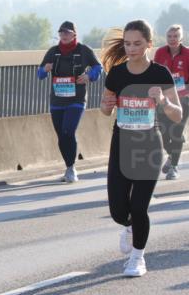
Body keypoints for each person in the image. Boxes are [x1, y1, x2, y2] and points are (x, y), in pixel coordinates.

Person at [99, 20, 182, 277]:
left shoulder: (160, 74)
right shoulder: (117, 73)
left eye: (137, 43)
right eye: (127, 43)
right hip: (121, 145)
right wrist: (107, 104)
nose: (131, 48)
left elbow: (177, 115)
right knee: (118, 210)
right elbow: (105, 110)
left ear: (149, 44)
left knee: (139, 206)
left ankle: (137, 258)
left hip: (149, 146)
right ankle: (128, 226)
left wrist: (165, 101)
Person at [36, 21, 102, 183]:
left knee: (68, 131)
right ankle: (68, 167)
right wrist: (45, 70)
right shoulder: (53, 52)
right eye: (61, 33)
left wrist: (89, 76)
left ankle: (72, 169)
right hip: (57, 100)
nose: (64, 36)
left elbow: (98, 67)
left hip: (76, 99)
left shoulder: (84, 50)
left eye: (67, 33)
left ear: (74, 34)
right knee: (61, 135)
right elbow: (40, 73)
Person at [153, 24, 189, 180]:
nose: (172, 39)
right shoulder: (160, 53)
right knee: (162, 133)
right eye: (170, 36)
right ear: (166, 37)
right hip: (165, 100)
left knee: (176, 134)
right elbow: (154, 74)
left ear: (181, 38)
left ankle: (173, 166)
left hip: (184, 100)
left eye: (175, 36)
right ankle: (172, 152)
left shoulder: (187, 54)